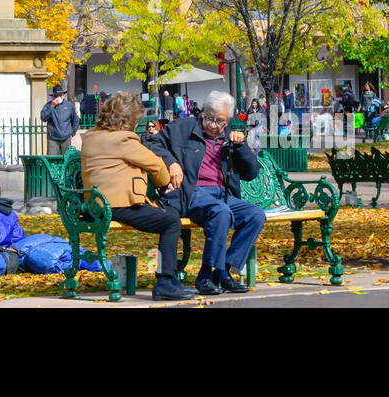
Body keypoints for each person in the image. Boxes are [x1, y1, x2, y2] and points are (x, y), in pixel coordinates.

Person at [146, 90, 264, 295]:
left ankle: (223, 272)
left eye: (219, 121)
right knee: (220, 212)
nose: (212, 124)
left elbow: (251, 173)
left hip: (224, 195)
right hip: (192, 192)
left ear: (228, 121)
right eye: (209, 118)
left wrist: (241, 146)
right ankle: (206, 275)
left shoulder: (231, 137)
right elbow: (150, 142)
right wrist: (171, 163)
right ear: (202, 113)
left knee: (255, 215)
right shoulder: (182, 128)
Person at [81, 92, 196, 301]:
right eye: (136, 120)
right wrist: (163, 184)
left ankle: (169, 279)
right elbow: (156, 164)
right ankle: (165, 281)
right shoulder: (123, 139)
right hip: (117, 206)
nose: (137, 124)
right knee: (171, 221)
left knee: (168, 215)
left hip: (94, 205)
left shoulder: (91, 136)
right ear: (127, 120)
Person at [41, 87, 78, 155]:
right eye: (56, 96)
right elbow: (43, 118)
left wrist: (72, 132)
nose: (58, 97)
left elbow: (75, 119)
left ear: (63, 95)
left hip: (66, 138)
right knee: (52, 161)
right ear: (53, 96)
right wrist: (52, 106)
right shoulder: (48, 105)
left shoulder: (69, 105)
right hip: (52, 138)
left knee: (66, 161)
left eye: (60, 95)